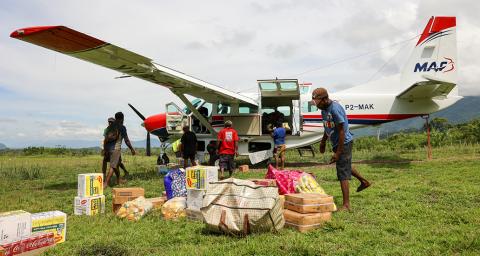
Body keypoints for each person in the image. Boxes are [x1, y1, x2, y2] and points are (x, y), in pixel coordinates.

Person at [312, 87, 371, 211]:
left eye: (317, 102)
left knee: (342, 172)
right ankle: (364, 181)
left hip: (343, 142)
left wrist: (338, 153)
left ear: (324, 99)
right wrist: (322, 142)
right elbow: (327, 126)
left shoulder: (335, 109)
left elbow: (341, 131)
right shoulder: (324, 109)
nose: (316, 105)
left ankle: (346, 205)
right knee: (344, 164)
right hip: (336, 142)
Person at [103, 112, 136, 188]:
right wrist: (132, 149)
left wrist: (105, 150)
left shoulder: (110, 127)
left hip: (108, 148)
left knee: (117, 163)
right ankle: (106, 183)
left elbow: (105, 139)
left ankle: (118, 180)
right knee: (113, 166)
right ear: (122, 118)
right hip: (115, 149)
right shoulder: (122, 127)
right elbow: (126, 140)